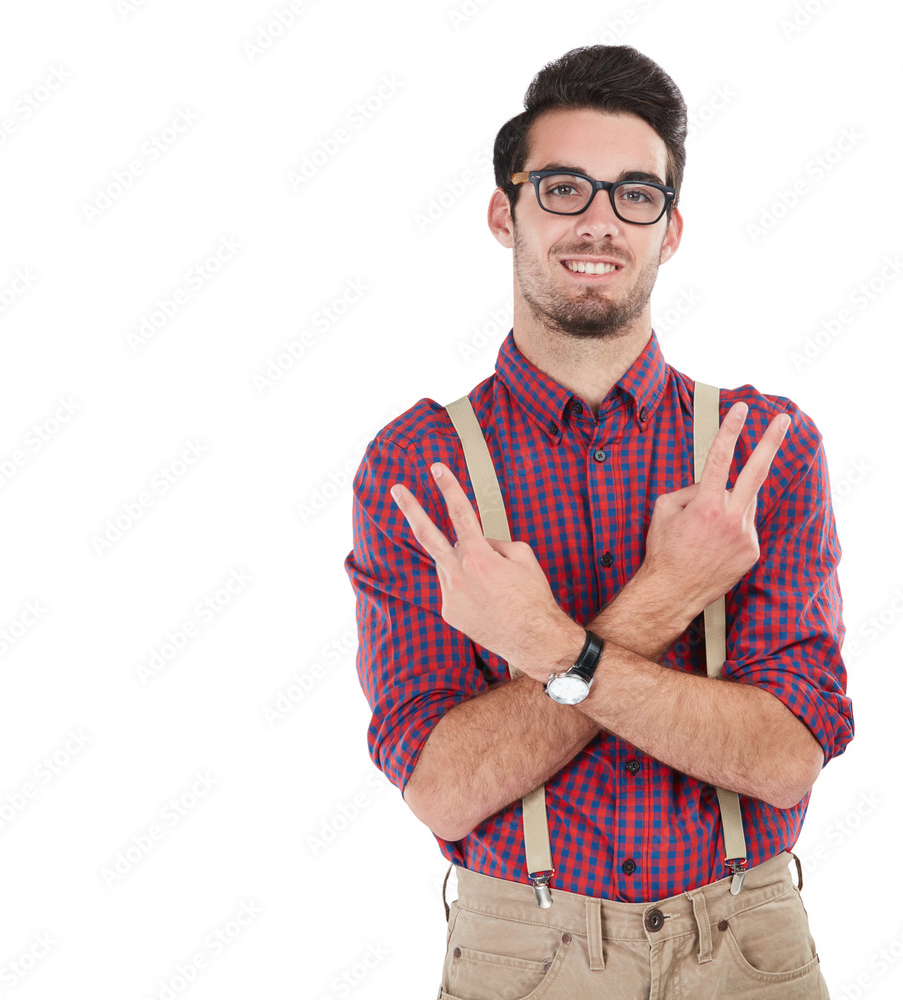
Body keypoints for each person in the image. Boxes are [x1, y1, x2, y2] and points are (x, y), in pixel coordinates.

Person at [343, 44, 853, 998]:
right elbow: (443, 788)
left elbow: (785, 760)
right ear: (507, 212)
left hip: (746, 947)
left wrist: (545, 645)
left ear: (671, 230)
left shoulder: (763, 448)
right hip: (522, 953)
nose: (600, 222)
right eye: (565, 188)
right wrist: (665, 598)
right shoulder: (418, 466)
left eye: (635, 195)